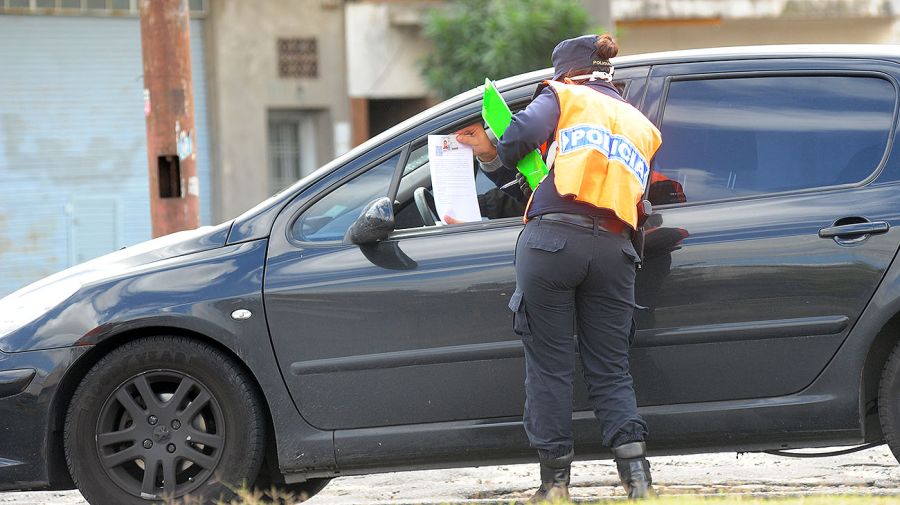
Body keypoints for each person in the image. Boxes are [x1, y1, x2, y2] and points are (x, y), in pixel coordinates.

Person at [455, 34, 662, 501]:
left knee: (550, 367)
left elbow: (518, 140)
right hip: (615, 248)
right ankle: (639, 483)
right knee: (611, 368)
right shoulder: (641, 125)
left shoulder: (563, 95)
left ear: (565, 72)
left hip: (552, 242)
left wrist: (493, 144)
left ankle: (554, 488)